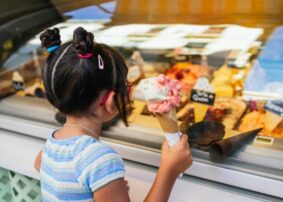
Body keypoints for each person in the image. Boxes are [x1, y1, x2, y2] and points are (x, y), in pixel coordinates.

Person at [33, 27, 192, 202]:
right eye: (126, 86)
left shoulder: (53, 141)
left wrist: (101, 189)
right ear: (109, 102)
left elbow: (39, 164)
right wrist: (168, 171)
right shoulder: (100, 159)